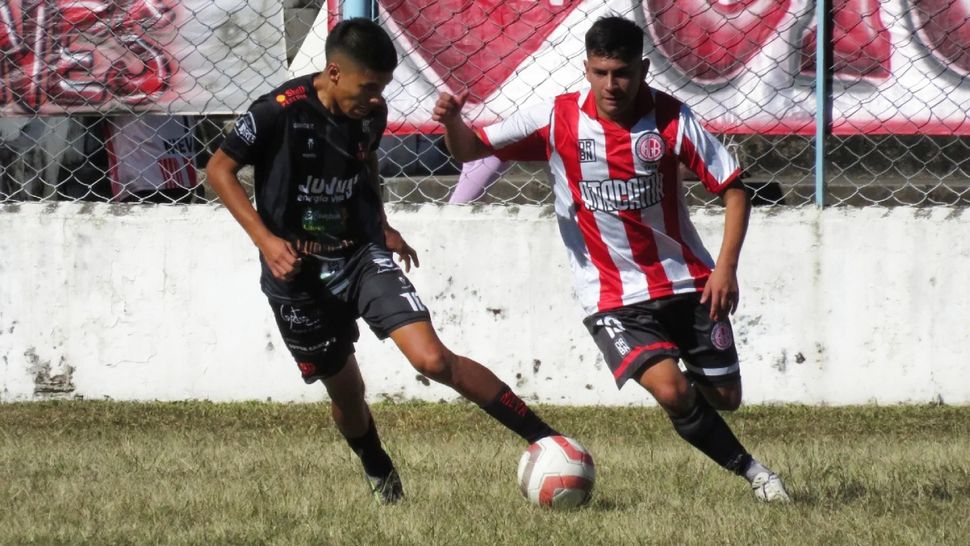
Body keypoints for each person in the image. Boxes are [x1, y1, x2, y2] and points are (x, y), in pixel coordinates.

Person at [434, 16, 791, 502]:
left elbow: (733, 190)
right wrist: (454, 121)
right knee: (670, 391)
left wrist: (725, 268)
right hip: (610, 294)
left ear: (643, 68)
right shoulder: (555, 118)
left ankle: (685, 378)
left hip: (686, 281)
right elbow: (470, 149)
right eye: (600, 73)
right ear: (586, 69)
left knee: (726, 399)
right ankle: (758, 476)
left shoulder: (672, 119)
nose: (611, 85)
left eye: (621, 72)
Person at [205, 18, 559, 505]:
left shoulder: (370, 113)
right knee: (348, 396)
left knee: (432, 359)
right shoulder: (276, 113)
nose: (376, 98)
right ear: (333, 72)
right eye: (368, 86)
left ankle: (547, 440)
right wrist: (266, 240)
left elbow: (365, 159)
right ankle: (378, 468)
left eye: (383, 88)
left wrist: (382, 224)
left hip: (360, 256)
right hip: (298, 277)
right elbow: (218, 170)